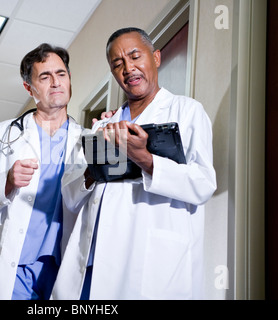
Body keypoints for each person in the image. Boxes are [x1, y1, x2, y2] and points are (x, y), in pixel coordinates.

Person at [51, 27, 217, 300]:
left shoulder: (187, 112)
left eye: (135, 56)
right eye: (118, 64)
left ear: (156, 58)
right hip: (94, 260)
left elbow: (203, 184)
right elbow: (69, 194)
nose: (128, 68)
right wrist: (94, 171)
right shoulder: (101, 126)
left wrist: (144, 158)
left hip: (150, 263)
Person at [0, 43, 83, 300]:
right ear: (29, 88)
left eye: (61, 74)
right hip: (14, 267)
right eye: (45, 77)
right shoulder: (3, 135)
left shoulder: (88, 140)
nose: (56, 83)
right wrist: (5, 183)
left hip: (61, 267)